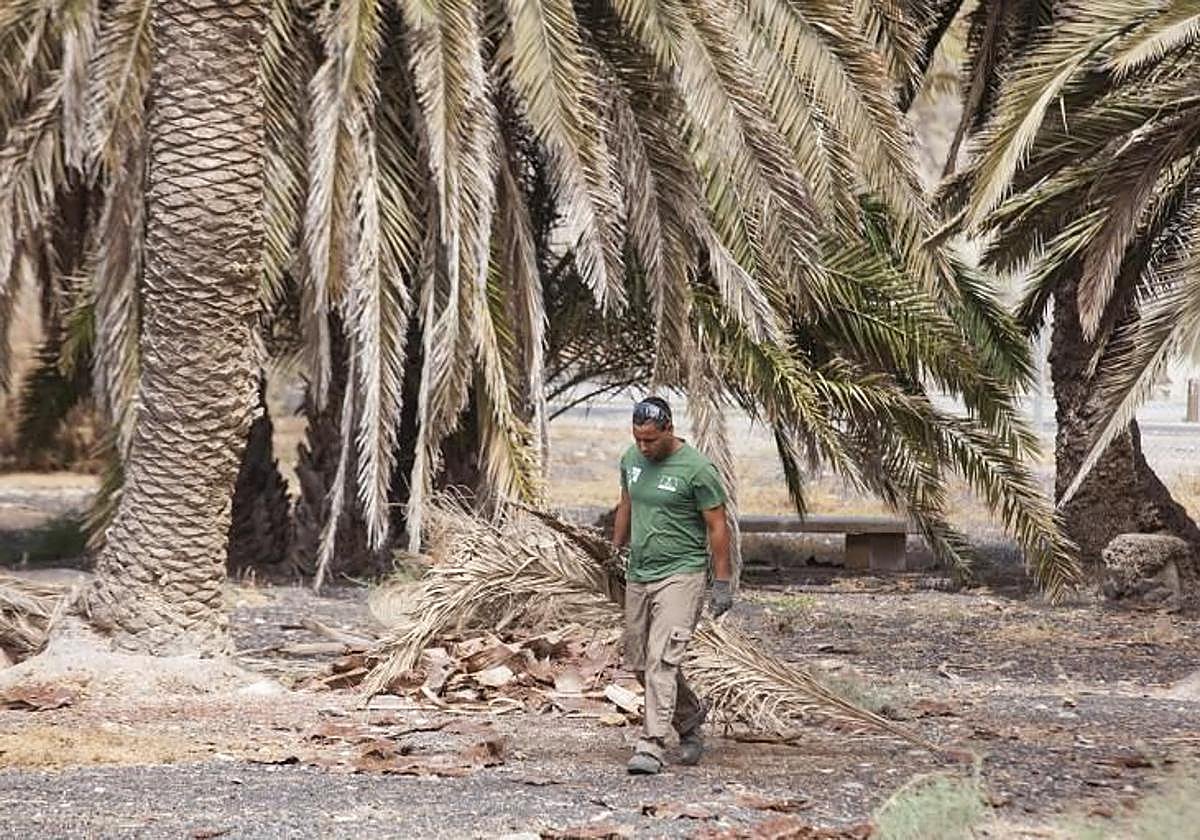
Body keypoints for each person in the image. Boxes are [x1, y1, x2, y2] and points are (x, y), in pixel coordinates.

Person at [612, 396, 733, 775]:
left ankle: (650, 746)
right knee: (638, 663)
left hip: (682, 574)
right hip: (639, 572)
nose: (643, 447)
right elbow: (626, 505)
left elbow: (717, 526)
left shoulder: (697, 470)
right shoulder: (631, 460)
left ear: (669, 429)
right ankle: (690, 719)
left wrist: (723, 582)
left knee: (662, 660)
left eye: (650, 440)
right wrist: (614, 552)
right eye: (638, 439)